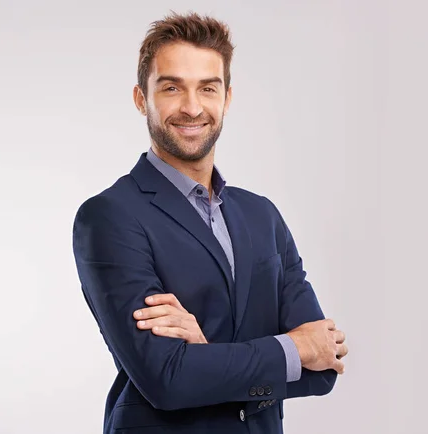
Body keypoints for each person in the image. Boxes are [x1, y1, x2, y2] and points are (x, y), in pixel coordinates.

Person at [72, 11, 348, 434]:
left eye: (207, 88)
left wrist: (210, 358)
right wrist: (292, 350)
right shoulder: (109, 217)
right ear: (141, 98)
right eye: (171, 87)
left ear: (227, 98)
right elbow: (167, 380)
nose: (192, 106)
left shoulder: (262, 215)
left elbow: (324, 368)